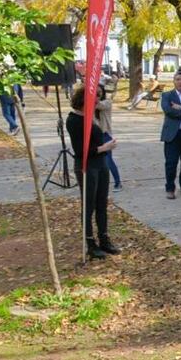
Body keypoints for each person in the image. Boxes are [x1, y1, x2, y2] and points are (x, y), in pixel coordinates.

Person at [66, 86, 119, 259]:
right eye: (94, 99)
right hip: (87, 166)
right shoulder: (74, 120)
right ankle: (90, 243)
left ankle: (104, 239)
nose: (97, 102)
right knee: (88, 205)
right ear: (83, 101)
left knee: (101, 203)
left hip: (101, 164)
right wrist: (105, 147)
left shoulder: (91, 117)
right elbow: (81, 151)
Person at [94, 86, 122, 192]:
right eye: (95, 92)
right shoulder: (89, 105)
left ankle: (118, 182)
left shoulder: (107, 102)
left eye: (99, 92)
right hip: (94, 136)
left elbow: (99, 105)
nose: (98, 94)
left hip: (105, 135)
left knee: (108, 160)